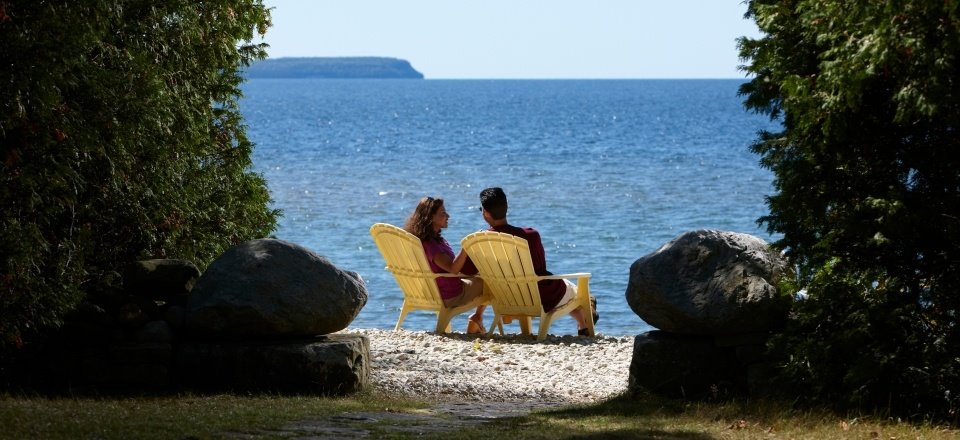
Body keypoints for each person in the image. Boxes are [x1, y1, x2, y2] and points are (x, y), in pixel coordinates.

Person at [472, 187, 598, 335]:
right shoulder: (530, 235)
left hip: (505, 299)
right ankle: (587, 312)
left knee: (567, 290)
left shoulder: (479, 241)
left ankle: (582, 325)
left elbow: (469, 272)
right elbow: (541, 270)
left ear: (485, 212)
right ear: (506, 207)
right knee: (577, 294)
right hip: (540, 299)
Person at [403, 196, 487, 334]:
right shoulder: (432, 246)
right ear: (430, 218)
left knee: (478, 276)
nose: (448, 216)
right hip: (452, 294)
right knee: (491, 282)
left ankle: (477, 319)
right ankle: (477, 317)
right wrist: (467, 245)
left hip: (436, 289)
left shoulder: (424, 240)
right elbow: (453, 269)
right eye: (443, 213)